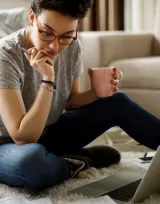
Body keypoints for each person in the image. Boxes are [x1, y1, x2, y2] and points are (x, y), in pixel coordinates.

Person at [0, 0, 160, 189]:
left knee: (117, 101)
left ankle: (60, 158)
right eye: (47, 33)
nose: (54, 46)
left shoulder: (73, 46)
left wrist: (97, 92)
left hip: (50, 134)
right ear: (32, 18)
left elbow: (71, 101)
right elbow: (23, 137)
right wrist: (48, 81)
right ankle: (76, 162)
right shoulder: (6, 55)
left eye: (66, 36)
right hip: (10, 146)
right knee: (31, 164)